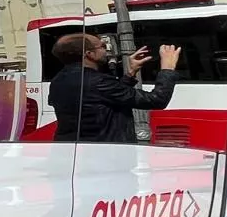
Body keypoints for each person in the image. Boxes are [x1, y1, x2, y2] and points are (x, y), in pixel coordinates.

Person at [46, 33, 180, 143]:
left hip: (74, 151)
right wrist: (167, 69)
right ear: (89, 54)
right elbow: (157, 100)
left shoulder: (58, 81)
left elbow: (110, 97)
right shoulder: (97, 81)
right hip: (107, 156)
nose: (107, 50)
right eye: (102, 46)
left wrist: (130, 73)